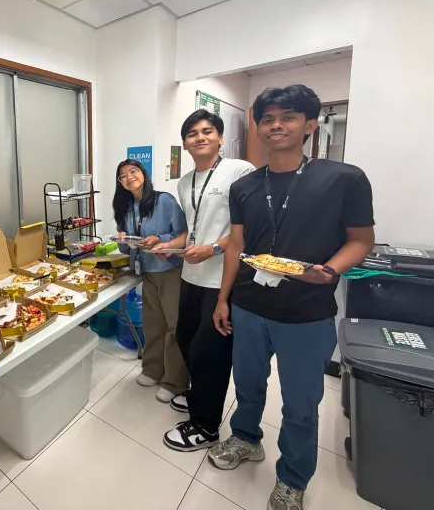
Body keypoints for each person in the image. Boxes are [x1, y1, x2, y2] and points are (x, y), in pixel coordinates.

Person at [208, 85, 374, 510]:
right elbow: (236, 246)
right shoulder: (245, 186)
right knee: (246, 385)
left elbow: (362, 240)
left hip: (307, 314)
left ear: (310, 125)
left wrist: (331, 271)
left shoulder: (344, 178)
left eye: (288, 117)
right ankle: (246, 438)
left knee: (301, 404)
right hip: (248, 306)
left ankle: (293, 478)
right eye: (267, 119)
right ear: (259, 129)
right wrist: (223, 299)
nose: (276, 125)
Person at [162, 110, 254, 452]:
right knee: (186, 339)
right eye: (192, 133)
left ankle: (206, 425)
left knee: (211, 353)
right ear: (185, 144)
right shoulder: (184, 182)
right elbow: (191, 229)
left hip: (222, 279)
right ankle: (198, 395)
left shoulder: (240, 171)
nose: (199, 137)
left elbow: (247, 231)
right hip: (191, 275)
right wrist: (169, 247)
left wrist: (213, 248)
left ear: (219, 138)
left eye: (207, 131)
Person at [114, 159, 189, 403]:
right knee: (153, 324)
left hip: (169, 270)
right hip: (146, 272)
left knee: (174, 327)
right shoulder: (126, 208)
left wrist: (160, 238)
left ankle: (174, 381)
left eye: (133, 171)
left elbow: (183, 234)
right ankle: (153, 369)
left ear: (143, 173)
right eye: (123, 175)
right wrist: (123, 240)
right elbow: (126, 250)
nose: (129, 177)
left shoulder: (163, 200)